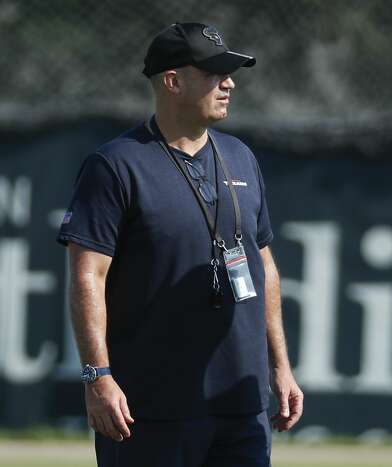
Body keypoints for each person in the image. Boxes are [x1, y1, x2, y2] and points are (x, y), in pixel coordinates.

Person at [57, 22, 303, 467]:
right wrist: (97, 376)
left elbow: (262, 264)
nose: (228, 83)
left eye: (229, 73)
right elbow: (86, 274)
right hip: (150, 408)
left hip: (241, 405)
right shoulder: (115, 164)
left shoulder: (241, 155)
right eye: (213, 72)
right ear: (172, 81)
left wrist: (280, 365)